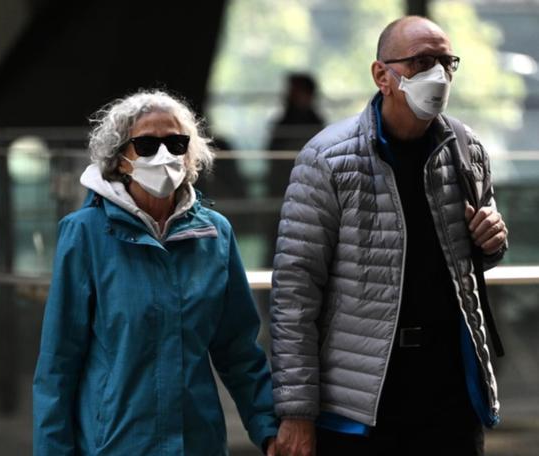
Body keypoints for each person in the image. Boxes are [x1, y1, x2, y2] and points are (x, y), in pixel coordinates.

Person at [269, 16, 508, 456]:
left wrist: (491, 240)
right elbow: (295, 294)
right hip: (364, 399)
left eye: (446, 62)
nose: (437, 74)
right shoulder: (327, 159)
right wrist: (296, 412)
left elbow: (472, 257)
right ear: (383, 75)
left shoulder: (465, 148)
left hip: (450, 389)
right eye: (421, 61)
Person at [33, 89, 278, 455]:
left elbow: (238, 351)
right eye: (146, 144)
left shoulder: (215, 234)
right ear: (120, 158)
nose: (164, 155)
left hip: (197, 444)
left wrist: (269, 430)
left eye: (176, 143)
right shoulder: (84, 233)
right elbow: (58, 364)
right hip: (114, 445)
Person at [263, 73, 325, 265]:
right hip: (280, 196)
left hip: (308, 196)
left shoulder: (314, 124)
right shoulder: (283, 122)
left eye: (294, 91)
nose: (289, 95)